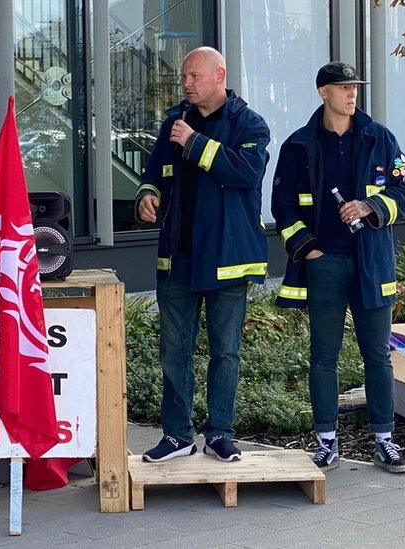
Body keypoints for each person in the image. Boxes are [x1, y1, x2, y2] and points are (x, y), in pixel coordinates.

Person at [271, 62, 405, 473]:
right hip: (325, 264)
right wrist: (306, 248)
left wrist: (370, 206)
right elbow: (281, 206)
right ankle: (326, 441)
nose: (352, 94)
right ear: (323, 93)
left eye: (354, 87)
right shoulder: (298, 145)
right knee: (324, 356)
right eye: (343, 87)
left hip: (372, 263)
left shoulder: (379, 137)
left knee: (378, 357)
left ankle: (385, 441)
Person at [134, 47, 271, 463]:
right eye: (185, 78)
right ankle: (177, 437)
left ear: (219, 76)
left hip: (228, 260)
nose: (187, 84)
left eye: (194, 76)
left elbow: (245, 173)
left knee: (225, 351)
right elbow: (156, 171)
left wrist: (195, 143)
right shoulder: (174, 122)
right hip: (178, 258)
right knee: (174, 351)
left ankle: (220, 434)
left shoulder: (250, 124)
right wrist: (147, 195)